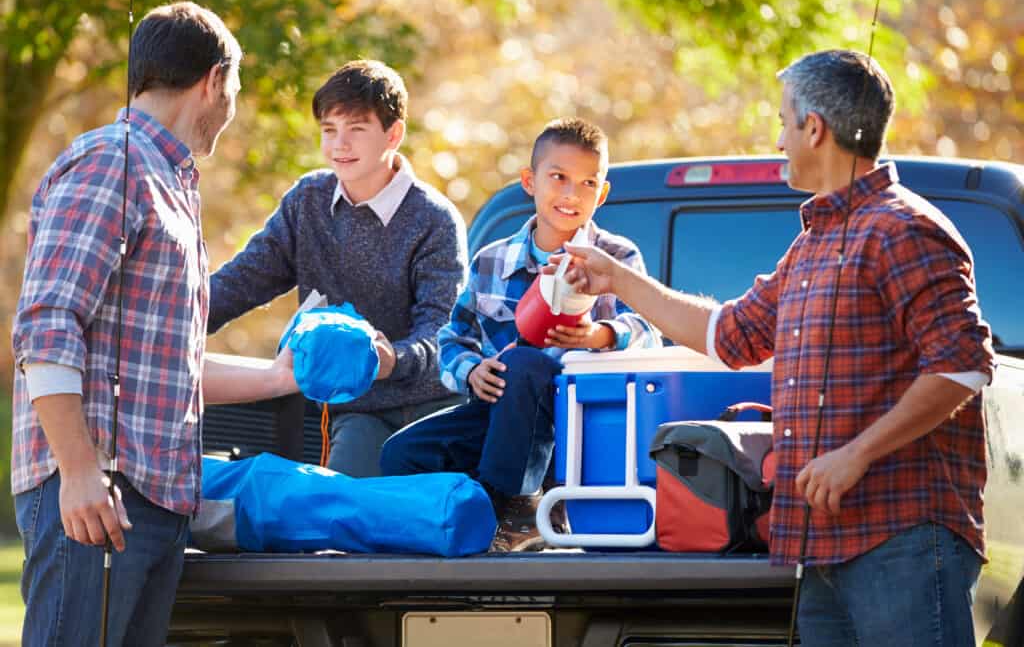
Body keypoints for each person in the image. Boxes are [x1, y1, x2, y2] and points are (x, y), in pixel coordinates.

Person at [549, 50, 995, 644]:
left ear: (815, 127)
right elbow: (728, 335)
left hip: (903, 538)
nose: (779, 138)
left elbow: (962, 366)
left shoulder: (905, 228)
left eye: (784, 121)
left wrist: (855, 454)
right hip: (821, 544)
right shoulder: (810, 246)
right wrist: (617, 279)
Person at [11, 2, 300, 647]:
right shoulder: (112, 164)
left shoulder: (168, 182)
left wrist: (282, 376)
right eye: (237, 90)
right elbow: (46, 325)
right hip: (96, 496)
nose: (233, 106)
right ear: (213, 80)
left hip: (150, 500)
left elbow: (171, 367)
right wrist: (81, 473)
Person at [379, 118, 661, 551]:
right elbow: (454, 337)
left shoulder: (617, 257)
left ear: (602, 194)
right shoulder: (491, 260)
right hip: (501, 420)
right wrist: (472, 371)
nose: (571, 195)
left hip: (581, 423)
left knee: (526, 361)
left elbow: (647, 330)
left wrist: (597, 336)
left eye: (588, 183)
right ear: (530, 182)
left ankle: (515, 513)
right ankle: (461, 516)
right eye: (559, 178)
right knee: (401, 454)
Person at [207, 60, 468, 477]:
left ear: (393, 133)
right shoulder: (308, 200)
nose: (340, 144)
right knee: (340, 514)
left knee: (421, 523)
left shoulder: (434, 218)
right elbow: (243, 280)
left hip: (434, 408)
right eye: (330, 130)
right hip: (359, 410)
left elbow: (443, 330)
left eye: (356, 129)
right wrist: (171, 321)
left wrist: (392, 361)